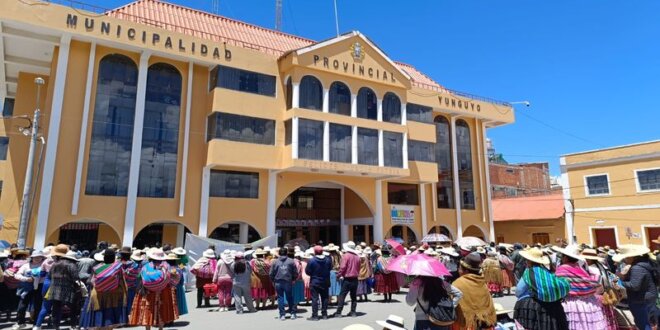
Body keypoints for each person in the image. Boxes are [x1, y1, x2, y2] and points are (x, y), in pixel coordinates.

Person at [513, 247, 569, 330]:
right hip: (555, 307)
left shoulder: (529, 272)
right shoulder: (547, 272)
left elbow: (518, 291)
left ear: (529, 261)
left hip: (535, 307)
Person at [554, 245, 607, 329]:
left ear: (565, 258)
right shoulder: (580, 268)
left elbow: (558, 287)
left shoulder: (562, 269)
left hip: (572, 304)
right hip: (589, 303)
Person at [129, 249, 179, 330]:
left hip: (148, 291)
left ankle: (148, 328)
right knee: (161, 310)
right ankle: (160, 328)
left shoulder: (146, 266)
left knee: (147, 309)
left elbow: (139, 278)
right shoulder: (166, 266)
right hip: (164, 291)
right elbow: (174, 279)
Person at [79, 248, 127, 329]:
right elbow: (122, 281)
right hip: (113, 296)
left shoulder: (96, 267)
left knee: (98, 318)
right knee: (110, 320)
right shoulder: (118, 266)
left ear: (104, 257)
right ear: (113, 257)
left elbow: (90, 281)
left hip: (98, 295)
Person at [615, 245, 658, 330]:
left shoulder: (637, 268)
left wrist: (620, 283)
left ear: (632, 257)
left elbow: (634, 286)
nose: (624, 260)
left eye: (625, 257)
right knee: (648, 322)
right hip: (647, 297)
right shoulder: (644, 264)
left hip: (640, 299)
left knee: (643, 323)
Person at [38, 245, 80, 330]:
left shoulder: (55, 264)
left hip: (54, 289)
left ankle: (55, 326)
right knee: (73, 308)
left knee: (56, 309)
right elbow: (75, 278)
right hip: (68, 290)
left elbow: (49, 276)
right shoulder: (72, 265)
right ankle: (73, 326)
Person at [451, 252, 496, 330]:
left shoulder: (458, 283)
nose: (458, 270)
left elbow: (453, 304)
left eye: (460, 268)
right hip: (484, 323)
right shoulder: (482, 282)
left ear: (466, 271)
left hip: (466, 324)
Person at [13, 250, 45, 330]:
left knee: (38, 306)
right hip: (27, 287)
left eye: (39, 257)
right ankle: (21, 322)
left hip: (40, 287)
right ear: (32, 257)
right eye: (35, 257)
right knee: (22, 306)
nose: (37, 258)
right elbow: (17, 275)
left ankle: (36, 324)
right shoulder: (26, 265)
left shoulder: (44, 265)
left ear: (42, 258)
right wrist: (26, 279)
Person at [333, 241, 361, 318]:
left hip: (347, 279)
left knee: (342, 295)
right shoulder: (357, 257)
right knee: (353, 296)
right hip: (355, 278)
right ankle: (353, 312)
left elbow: (342, 267)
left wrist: (339, 275)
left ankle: (339, 312)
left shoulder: (346, 256)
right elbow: (359, 268)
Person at [269, 246, 299, 320]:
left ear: (279, 253)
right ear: (286, 253)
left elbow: (271, 273)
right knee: (289, 297)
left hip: (278, 281)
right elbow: (295, 272)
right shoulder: (291, 261)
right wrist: (294, 279)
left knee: (280, 298)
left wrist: (272, 280)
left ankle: (282, 314)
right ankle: (292, 313)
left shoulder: (275, 262)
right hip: (288, 281)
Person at [305, 245, 332, 321]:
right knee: (325, 298)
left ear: (314, 252)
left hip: (315, 281)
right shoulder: (327, 260)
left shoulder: (312, 260)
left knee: (314, 299)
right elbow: (330, 268)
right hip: (325, 281)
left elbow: (307, 271)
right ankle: (324, 314)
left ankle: (315, 315)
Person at [171, 247, 188, 316]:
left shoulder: (176, 259)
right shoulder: (184, 258)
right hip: (180, 275)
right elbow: (183, 267)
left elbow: (181, 268)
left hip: (177, 272)